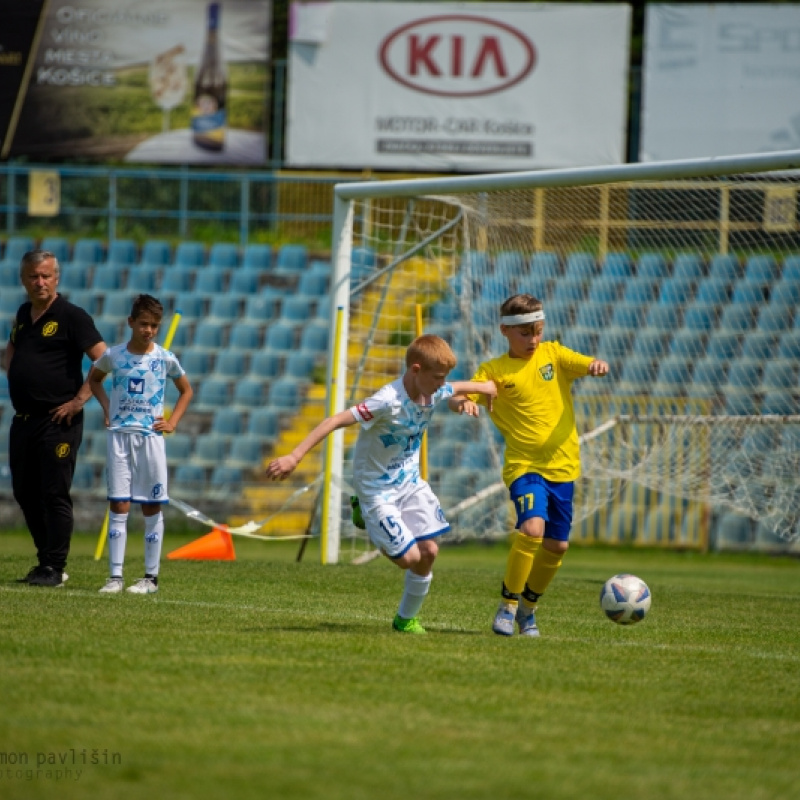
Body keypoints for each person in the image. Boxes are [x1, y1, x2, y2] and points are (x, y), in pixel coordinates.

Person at [266, 334, 497, 634]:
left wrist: (478, 393)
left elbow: (457, 391)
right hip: (377, 490)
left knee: (430, 551)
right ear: (416, 370)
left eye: (444, 378)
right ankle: (366, 513)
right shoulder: (386, 401)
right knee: (409, 558)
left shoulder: (431, 389)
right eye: (438, 377)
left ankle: (405, 619)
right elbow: (334, 421)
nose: (443, 383)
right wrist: (294, 456)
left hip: (410, 484)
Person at [464, 293, 608, 637]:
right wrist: (463, 404)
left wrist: (595, 365)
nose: (533, 340)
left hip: (563, 468)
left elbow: (585, 362)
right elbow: (464, 393)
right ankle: (508, 605)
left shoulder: (553, 355)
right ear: (505, 331)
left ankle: (528, 609)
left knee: (558, 546)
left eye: (538, 331)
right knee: (531, 529)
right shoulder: (494, 371)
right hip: (524, 466)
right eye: (525, 333)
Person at [5, 249, 107, 588]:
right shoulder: (22, 315)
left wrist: (79, 400)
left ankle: (55, 566)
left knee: (54, 492)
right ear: (23, 280)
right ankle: (44, 561)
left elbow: (103, 359)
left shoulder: (72, 316)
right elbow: (12, 356)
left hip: (57, 421)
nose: (40, 281)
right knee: (24, 492)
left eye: (46, 275)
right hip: (23, 420)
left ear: (57, 278)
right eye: (33, 276)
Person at [89, 294, 193, 595]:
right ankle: (115, 577)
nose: (148, 330)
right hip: (120, 436)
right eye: (144, 324)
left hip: (150, 438)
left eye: (154, 326)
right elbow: (94, 379)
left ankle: (150, 578)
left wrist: (172, 422)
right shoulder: (114, 355)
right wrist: (108, 408)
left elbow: (186, 390)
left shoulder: (164, 357)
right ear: (131, 322)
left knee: (151, 505)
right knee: (119, 502)